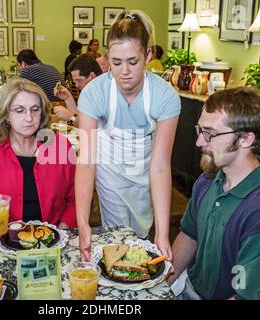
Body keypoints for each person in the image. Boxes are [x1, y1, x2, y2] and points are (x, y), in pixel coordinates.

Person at [167, 87, 260, 300]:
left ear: (246, 139)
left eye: (209, 133)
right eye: (200, 131)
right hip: (189, 288)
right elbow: (189, 235)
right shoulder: (208, 180)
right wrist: (161, 287)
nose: (199, 142)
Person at [76, 10, 181, 262]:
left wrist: (163, 233)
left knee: (142, 235)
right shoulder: (94, 93)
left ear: (148, 55)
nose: (124, 71)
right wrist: (82, 224)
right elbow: (86, 161)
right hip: (109, 171)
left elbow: (159, 166)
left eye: (133, 61)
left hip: (145, 171)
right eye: (116, 62)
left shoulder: (165, 96)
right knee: (117, 238)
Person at [0, 78, 77, 234]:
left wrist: (62, 230)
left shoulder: (60, 146)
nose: (29, 118)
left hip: (55, 236)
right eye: (19, 110)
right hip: (6, 237)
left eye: (35, 109)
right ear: (6, 114)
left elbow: (76, 197)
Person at [53, 55, 103, 124]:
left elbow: (91, 127)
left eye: (78, 80)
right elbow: (80, 119)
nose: (76, 85)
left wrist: (71, 117)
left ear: (92, 76)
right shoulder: (90, 92)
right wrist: (68, 98)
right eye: (74, 81)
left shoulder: (105, 93)